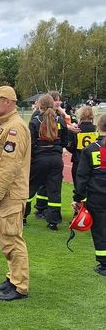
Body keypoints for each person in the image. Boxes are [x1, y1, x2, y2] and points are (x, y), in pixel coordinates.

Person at [0, 86, 31, 301]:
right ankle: (12, 277)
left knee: (12, 239)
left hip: (8, 194)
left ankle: (19, 286)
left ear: (9, 102)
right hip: (3, 193)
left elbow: (9, 165)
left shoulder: (15, 128)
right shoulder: (6, 126)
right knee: (4, 238)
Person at [23, 94, 68, 231]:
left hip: (39, 159)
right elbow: (65, 141)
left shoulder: (35, 121)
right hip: (56, 159)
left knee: (30, 189)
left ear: (39, 105)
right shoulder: (60, 120)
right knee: (54, 191)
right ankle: (53, 222)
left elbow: (30, 143)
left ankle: (22, 217)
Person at [72, 114, 106, 276]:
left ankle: (104, 264)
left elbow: (82, 177)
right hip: (98, 195)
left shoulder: (91, 150)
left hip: (97, 197)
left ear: (98, 127)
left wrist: (78, 198)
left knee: (100, 230)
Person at [66, 106, 98, 188]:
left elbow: (70, 146)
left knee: (79, 188)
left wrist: (76, 152)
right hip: (94, 162)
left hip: (78, 161)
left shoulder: (75, 129)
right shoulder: (96, 130)